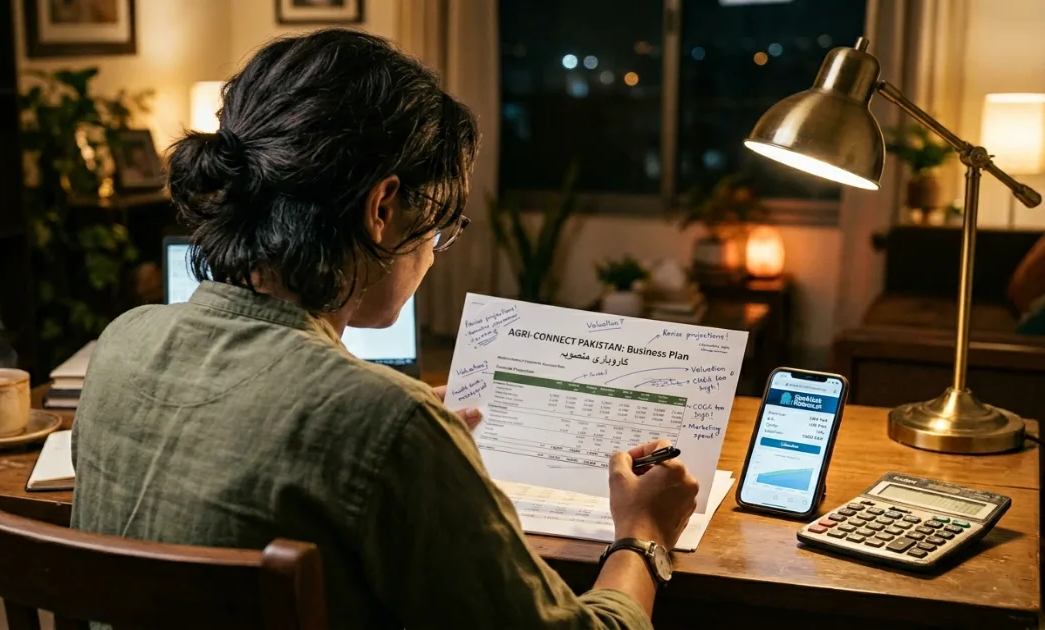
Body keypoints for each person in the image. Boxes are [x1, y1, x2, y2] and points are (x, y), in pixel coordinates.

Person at [70, 28, 698, 629]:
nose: (432, 252)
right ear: (382, 209)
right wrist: (643, 536)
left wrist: (405, 439)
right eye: (439, 229)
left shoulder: (124, 341)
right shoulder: (387, 422)